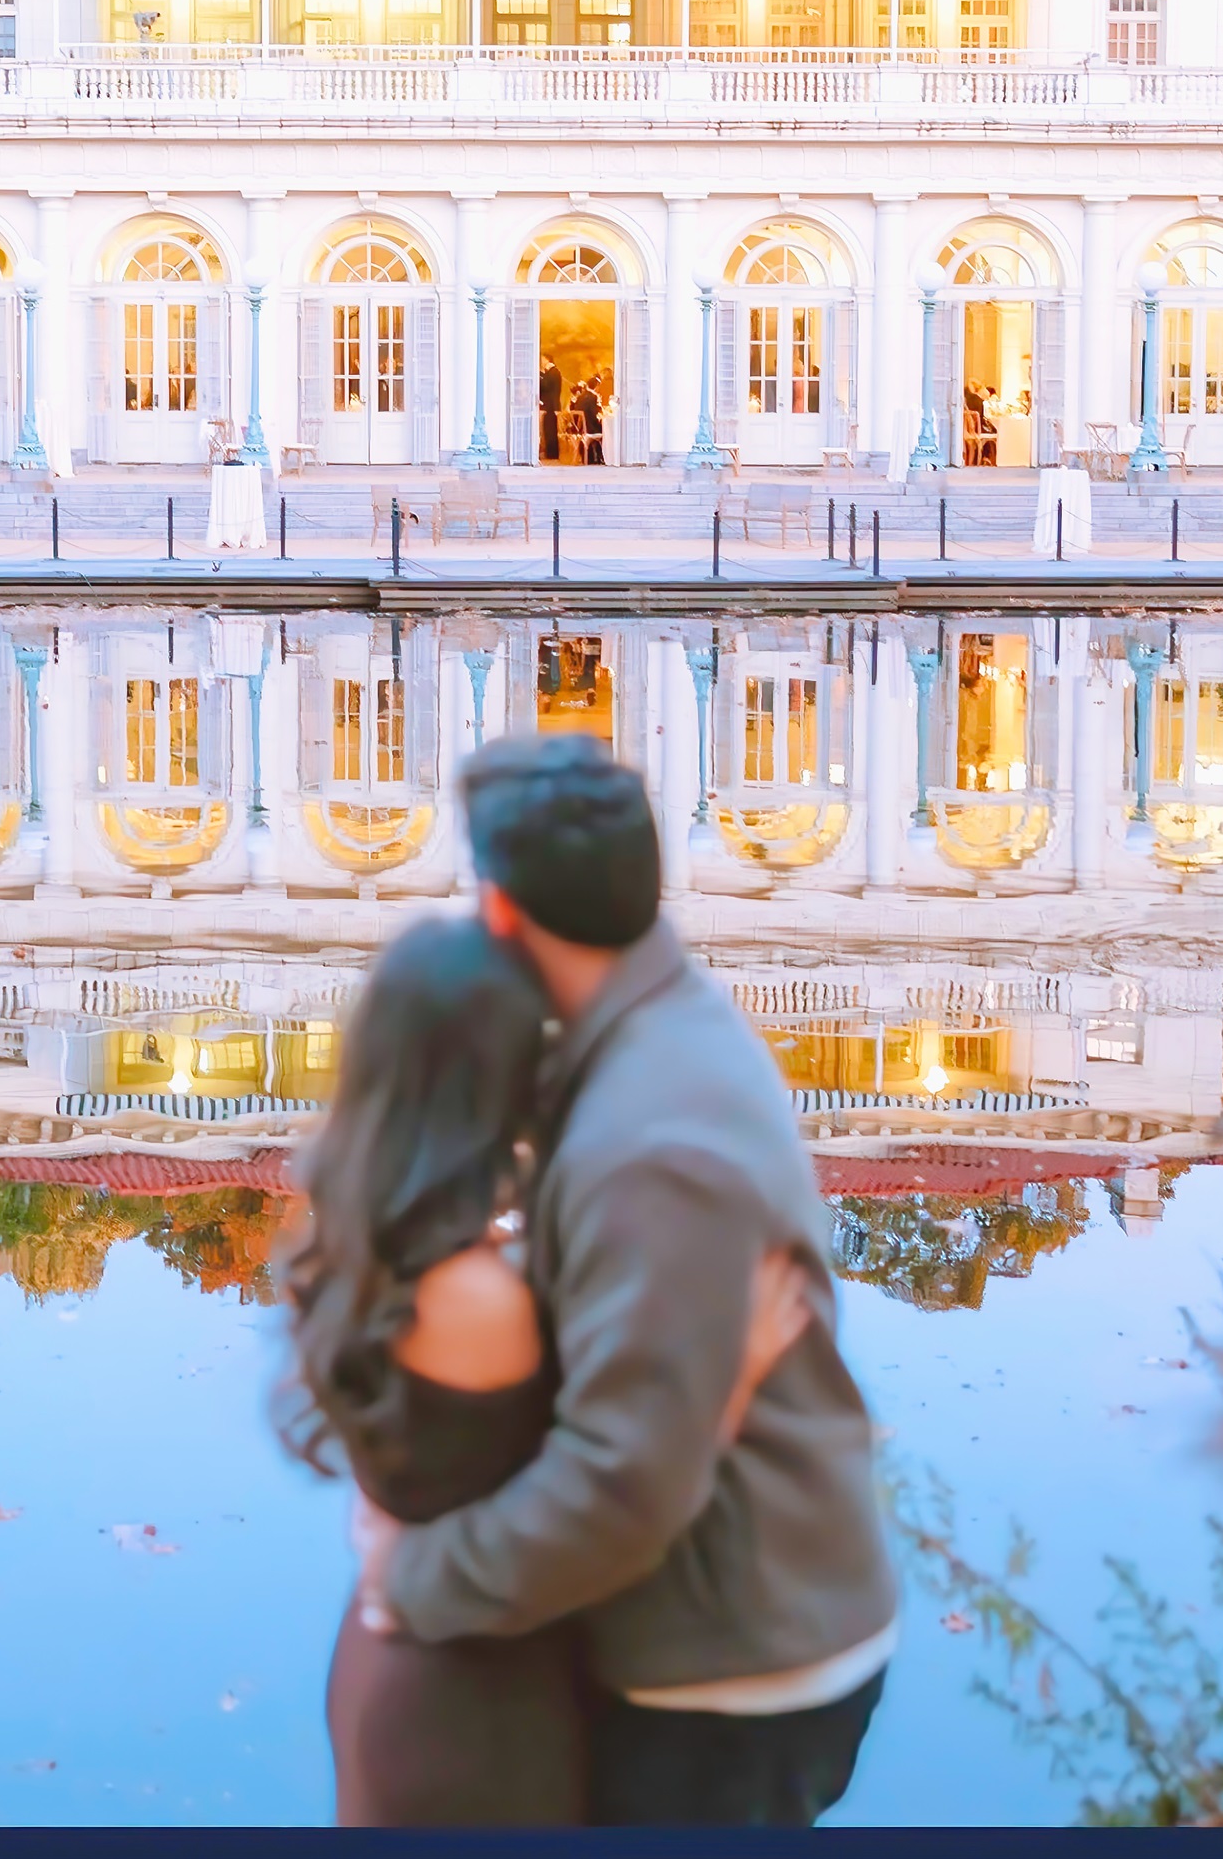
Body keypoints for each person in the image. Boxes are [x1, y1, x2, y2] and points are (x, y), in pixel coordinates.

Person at [351, 736, 898, 1828]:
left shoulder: (651, 1140)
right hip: (725, 1626)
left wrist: (409, 1583)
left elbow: (622, 1488)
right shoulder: (661, 1032)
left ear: (501, 911)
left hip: (727, 1657)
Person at [284, 914, 809, 1826]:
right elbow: (622, 1487)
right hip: (475, 1701)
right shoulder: (478, 1300)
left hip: (403, 1657)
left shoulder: (361, 1238)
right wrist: (736, 1374)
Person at [572, 378, 604, 466]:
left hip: (580, 427)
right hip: (590, 428)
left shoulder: (581, 396)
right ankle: (602, 456)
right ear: (596, 386)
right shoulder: (592, 397)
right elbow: (594, 414)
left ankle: (591, 457)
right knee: (605, 431)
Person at [538, 357, 564, 462]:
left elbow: (546, 385)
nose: (542, 362)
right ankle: (550, 452)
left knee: (550, 430)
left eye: (543, 359)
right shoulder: (552, 372)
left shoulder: (554, 372)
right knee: (548, 430)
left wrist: (540, 375)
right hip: (549, 406)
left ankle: (552, 453)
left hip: (550, 406)